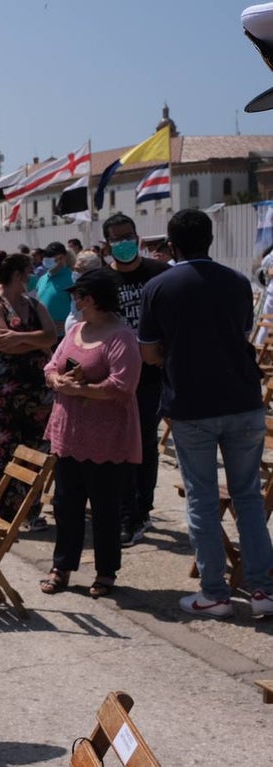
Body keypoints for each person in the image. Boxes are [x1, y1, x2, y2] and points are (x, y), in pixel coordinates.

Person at [138, 209, 273, 619]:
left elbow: (148, 351)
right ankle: (264, 589)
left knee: (201, 498)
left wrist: (173, 360)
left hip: (191, 402)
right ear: (210, 239)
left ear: (172, 245)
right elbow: (243, 331)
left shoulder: (159, 285)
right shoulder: (236, 281)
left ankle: (214, 591)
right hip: (243, 398)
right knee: (248, 495)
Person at [39, 269, 141, 599]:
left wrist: (82, 389)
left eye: (78, 296)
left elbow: (122, 386)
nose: (75, 301)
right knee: (65, 504)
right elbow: (52, 366)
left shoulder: (120, 336)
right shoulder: (77, 329)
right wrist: (58, 382)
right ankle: (62, 566)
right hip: (70, 434)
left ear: (92, 299)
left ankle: (106, 571)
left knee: (104, 508)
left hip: (106, 438)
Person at [101, 212, 168, 547]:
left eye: (129, 235)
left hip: (152, 377)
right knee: (121, 446)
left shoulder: (159, 274)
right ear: (107, 244)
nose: (124, 242)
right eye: (117, 238)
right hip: (113, 379)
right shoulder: (101, 282)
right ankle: (128, 508)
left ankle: (139, 510)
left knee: (142, 442)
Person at [0, 253, 57, 527]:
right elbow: (1, 342)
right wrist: (37, 343)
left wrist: (21, 337)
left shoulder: (34, 305)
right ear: (18, 274)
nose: (33, 274)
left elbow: (52, 336)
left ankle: (29, 512)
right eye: (29, 270)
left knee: (34, 452)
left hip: (37, 392)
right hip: (1, 394)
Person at [33, 241, 74, 336]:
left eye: (50, 258)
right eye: (46, 257)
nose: (46, 260)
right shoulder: (42, 279)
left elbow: (81, 308)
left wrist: (67, 324)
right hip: (45, 335)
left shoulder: (72, 279)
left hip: (64, 335)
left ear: (62, 258)